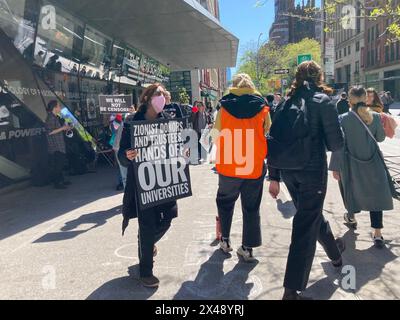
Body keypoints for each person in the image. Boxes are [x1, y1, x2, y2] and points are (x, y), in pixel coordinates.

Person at [268, 61, 345, 300]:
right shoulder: (323, 101)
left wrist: (275, 177)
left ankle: (335, 255)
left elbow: (274, 140)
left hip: (289, 170)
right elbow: (336, 144)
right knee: (305, 225)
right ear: (319, 76)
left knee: (309, 215)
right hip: (312, 171)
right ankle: (291, 291)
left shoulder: (285, 103)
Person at [118, 83, 177, 288]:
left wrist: (183, 154)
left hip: (164, 180)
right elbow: (121, 155)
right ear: (148, 98)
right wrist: (127, 155)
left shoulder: (168, 121)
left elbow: (176, 148)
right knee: (147, 225)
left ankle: (147, 241)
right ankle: (146, 271)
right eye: (158, 94)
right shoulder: (132, 122)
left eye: (164, 94)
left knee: (168, 218)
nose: (162, 97)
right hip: (143, 184)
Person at [211, 73, 271, 262]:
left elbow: (215, 134)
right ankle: (247, 248)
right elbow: (267, 130)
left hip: (229, 165)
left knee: (225, 202)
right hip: (253, 165)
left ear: (234, 86)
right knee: (251, 207)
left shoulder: (224, 108)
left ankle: (225, 240)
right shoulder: (262, 107)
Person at [329, 86, 394, 248]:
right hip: (373, 163)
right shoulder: (376, 117)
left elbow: (338, 145)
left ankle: (351, 218)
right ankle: (378, 233)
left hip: (350, 163)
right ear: (366, 99)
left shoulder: (342, 118)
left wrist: (335, 167)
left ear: (349, 100)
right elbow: (379, 138)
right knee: (376, 196)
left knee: (351, 190)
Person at [45, 100, 71, 189]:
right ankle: (57, 183)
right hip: (55, 146)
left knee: (60, 164)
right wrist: (62, 128)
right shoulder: (50, 118)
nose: (60, 108)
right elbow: (49, 132)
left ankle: (61, 180)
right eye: (59, 106)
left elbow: (58, 129)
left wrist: (65, 128)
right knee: (58, 165)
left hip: (59, 144)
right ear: (54, 108)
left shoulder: (56, 117)